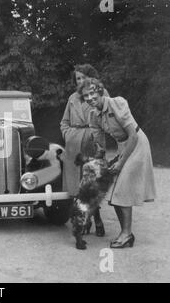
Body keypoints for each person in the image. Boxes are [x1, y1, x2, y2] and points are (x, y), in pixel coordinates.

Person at [80, 77, 156, 248]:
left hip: (137, 144)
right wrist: (96, 164)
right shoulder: (93, 116)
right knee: (114, 192)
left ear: (99, 91)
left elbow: (133, 136)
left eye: (93, 93)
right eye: (86, 96)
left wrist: (121, 163)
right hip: (124, 147)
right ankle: (126, 233)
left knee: (122, 188)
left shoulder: (117, 103)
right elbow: (101, 147)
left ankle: (126, 234)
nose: (90, 98)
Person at [60, 64, 108, 236]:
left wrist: (95, 136)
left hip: (91, 143)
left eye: (83, 78)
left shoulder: (99, 93)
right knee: (78, 189)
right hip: (73, 146)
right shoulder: (72, 98)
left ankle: (98, 221)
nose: (80, 81)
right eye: (77, 79)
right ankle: (86, 222)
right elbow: (64, 122)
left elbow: (106, 119)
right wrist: (68, 134)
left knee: (92, 185)